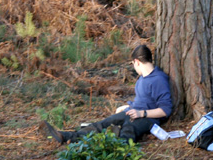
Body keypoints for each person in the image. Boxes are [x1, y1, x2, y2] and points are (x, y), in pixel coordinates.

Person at [40, 45, 173, 144]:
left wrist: (142, 113)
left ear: (137, 61)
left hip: (147, 118)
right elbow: (143, 100)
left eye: (133, 64)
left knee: (128, 131)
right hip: (133, 112)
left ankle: (119, 155)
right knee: (102, 124)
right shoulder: (142, 79)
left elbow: (165, 110)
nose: (134, 67)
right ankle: (65, 137)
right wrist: (127, 107)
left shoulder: (158, 79)